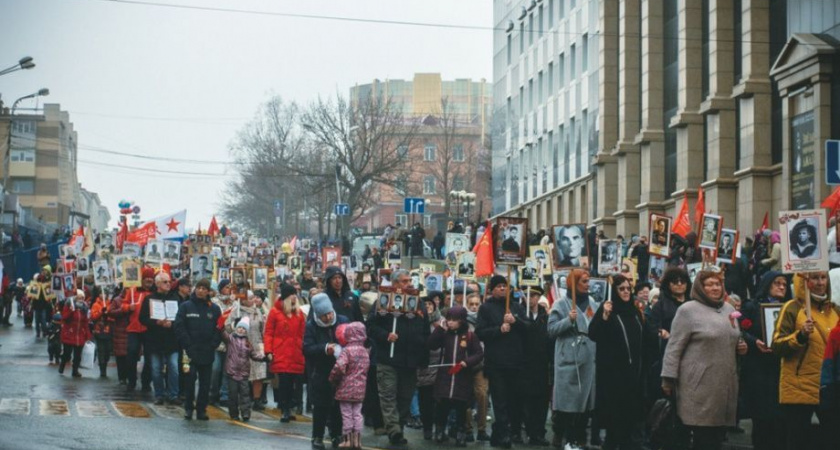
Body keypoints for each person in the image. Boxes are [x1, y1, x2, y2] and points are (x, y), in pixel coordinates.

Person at [661, 268, 747, 450]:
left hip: (724, 385)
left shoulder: (729, 309)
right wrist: (668, 379)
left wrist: (741, 347)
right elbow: (674, 347)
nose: (715, 288)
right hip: (698, 386)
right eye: (709, 284)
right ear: (700, 287)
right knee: (702, 437)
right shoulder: (688, 310)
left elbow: (734, 337)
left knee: (716, 437)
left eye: (718, 284)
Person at [773, 271, 840, 449]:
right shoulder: (792, 308)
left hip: (829, 388)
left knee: (832, 439)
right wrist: (801, 335)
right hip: (799, 386)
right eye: (814, 278)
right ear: (804, 281)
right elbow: (777, 345)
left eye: (823, 277)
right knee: (798, 440)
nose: (820, 282)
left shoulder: (835, 311)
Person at [588, 275, 654, 449]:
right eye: (621, 289)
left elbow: (646, 337)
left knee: (629, 423)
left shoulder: (635, 311)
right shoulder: (608, 310)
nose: (625, 292)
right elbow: (593, 334)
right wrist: (603, 316)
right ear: (614, 291)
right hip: (613, 377)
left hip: (634, 376)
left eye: (628, 288)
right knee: (613, 425)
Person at [366, 269, 430, 445]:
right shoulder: (383, 301)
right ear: (394, 284)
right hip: (388, 359)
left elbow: (425, 330)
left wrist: (424, 356)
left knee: (405, 397)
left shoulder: (419, 303)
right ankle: (393, 430)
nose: (408, 284)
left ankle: (399, 426)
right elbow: (370, 326)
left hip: (410, 360)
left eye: (410, 280)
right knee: (388, 395)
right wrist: (385, 335)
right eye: (403, 281)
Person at [475, 275, 530, 449]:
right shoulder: (485, 308)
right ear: (491, 289)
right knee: (499, 400)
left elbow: (529, 328)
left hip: (515, 361)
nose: (502, 289)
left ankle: (501, 431)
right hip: (496, 363)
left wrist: (516, 321)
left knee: (514, 399)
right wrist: (499, 329)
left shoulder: (516, 307)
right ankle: (504, 434)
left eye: (505, 286)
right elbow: (480, 332)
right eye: (498, 286)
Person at [547, 269, 598, 450]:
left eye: (588, 281)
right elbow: (551, 329)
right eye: (584, 281)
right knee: (567, 400)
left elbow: (597, 327)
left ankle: (579, 435)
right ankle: (561, 433)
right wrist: (568, 320)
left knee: (584, 400)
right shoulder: (561, 304)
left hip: (588, 356)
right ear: (573, 284)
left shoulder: (593, 303)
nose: (588, 284)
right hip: (568, 356)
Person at [739, 271, 788, 450]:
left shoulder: (790, 308)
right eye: (777, 283)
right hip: (758, 371)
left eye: (784, 284)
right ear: (767, 285)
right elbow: (739, 329)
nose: (781, 287)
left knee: (781, 420)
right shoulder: (752, 306)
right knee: (761, 419)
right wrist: (754, 342)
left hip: (781, 370)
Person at [428, 305, 484, 447]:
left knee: (461, 406)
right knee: (442, 405)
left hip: (462, 376)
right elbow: (431, 344)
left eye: (454, 320)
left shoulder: (470, 335)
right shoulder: (444, 333)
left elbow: (478, 354)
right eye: (448, 319)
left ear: (462, 321)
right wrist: (440, 329)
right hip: (445, 375)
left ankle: (461, 433)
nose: (450, 322)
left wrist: (467, 362)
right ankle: (440, 431)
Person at [305, 293, 349, 450]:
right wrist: (324, 348)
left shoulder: (343, 321)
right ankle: (317, 436)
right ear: (317, 314)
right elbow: (307, 348)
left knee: (338, 404)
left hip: (341, 371)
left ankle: (336, 434)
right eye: (324, 315)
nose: (329, 317)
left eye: (330, 313)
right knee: (321, 405)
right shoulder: (311, 325)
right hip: (321, 370)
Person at [174, 278, 222, 420]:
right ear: (195, 289)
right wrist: (187, 345)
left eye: (204, 288)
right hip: (189, 352)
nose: (201, 290)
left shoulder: (214, 309)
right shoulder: (186, 306)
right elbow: (179, 326)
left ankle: (201, 409)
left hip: (207, 351)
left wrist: (213, 344)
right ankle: (189, 408)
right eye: (199, 288)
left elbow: (219, 328)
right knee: (189, 381)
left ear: (208, 291)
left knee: (205, 383)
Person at [513, 286, 552, 446]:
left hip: (541, 363)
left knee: (541, 401)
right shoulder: (518, 313)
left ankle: (538, 433)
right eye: (528, 295)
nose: (531, 298)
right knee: (522, 400)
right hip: (522, 362)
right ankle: (520, 431)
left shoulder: (545, 316)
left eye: (534, 295)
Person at [264, 284, 306, 423]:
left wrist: (303, 348)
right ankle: (284, 410)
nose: (295, 296)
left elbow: (302, 334)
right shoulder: (275, 312)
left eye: (295, 294)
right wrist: (268, 350)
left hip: (295, 352)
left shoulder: (299, 314)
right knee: (284, 382)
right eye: (292, 294)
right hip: (281, 351)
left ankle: (290, 407)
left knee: (295, 383)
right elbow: (269, 332)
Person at [140, 272, 181, 405]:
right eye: (165, 282)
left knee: (174, 368)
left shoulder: (175, 299)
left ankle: (173, 394)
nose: (168, 284)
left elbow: (180, 319)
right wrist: (156, 322)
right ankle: (159, 394)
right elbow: (143, 318)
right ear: (157, 284)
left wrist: (172, 323)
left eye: (169, 282)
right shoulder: (149, 299)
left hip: (172, 340)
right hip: (155, 340)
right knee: (156, 370)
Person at [329, 322, 371, 449]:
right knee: (357, 414)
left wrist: (332, 379)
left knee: (347, 414)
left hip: (345, 389)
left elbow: (339, 366)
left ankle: (347, 440)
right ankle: (357, 441)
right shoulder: (365, 351)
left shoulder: (347, 351)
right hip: (360, 389)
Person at [225, 289, 268, 411]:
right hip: (241, 346)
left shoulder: (257, 312)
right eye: (250, 298)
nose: (253, 300)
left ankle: (257, 399)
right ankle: (243, 399)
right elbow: (227, 327)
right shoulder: (236, 311)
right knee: (243, 375)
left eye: (253, 297)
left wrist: (263, 345)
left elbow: (263, 329)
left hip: (257, 343)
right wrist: (235, 325)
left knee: (259, 374)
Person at [222, 316, 265, 422]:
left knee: (245, 395)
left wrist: (263, 357)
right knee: (233, 394)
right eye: (240, 327)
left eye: (244, 328)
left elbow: (254, 355)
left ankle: (245, 413)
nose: (241, 330)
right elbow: (223, 335)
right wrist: (221, 327)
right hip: (232, 371)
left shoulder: (248, 343)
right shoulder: (231, 339)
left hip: (244, 373)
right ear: (236, 328)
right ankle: (234, 413)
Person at [122, 267, 155, 392]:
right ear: (142, 279)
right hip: (134, 328)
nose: (148, 280)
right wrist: (127, 307)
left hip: (150, 329)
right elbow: (123, 305)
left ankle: (146, 382)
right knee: (131, 353)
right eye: (146, 277)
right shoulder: (132, 291)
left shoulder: (155, 293)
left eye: (151, 278)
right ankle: (131, 380)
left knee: (150, 357)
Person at [59, 290, 91, 378]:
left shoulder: (84, 307)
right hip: (69, 332)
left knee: (77, 355)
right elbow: (64, 318)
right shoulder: (69, 305)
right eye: (79, 297)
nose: (81, 299)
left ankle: (75, 370)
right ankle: (62, 364)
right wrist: (71, 311)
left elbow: (85, 322)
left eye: (82, 298)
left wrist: (87, 334)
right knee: (67, 353)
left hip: (79, 334)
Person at [90, 288, 114, 378]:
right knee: (101, 350)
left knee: (108, 350)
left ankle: (105, 362)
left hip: (108, 330)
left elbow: (113, 317)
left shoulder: (110, 304)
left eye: (105, 294)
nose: (103, 296)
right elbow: (93, 316)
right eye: (101, 294)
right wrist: (101, 312)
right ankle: (102, 369)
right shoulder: (95, 305)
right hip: (99, 330)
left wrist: (108, 315)